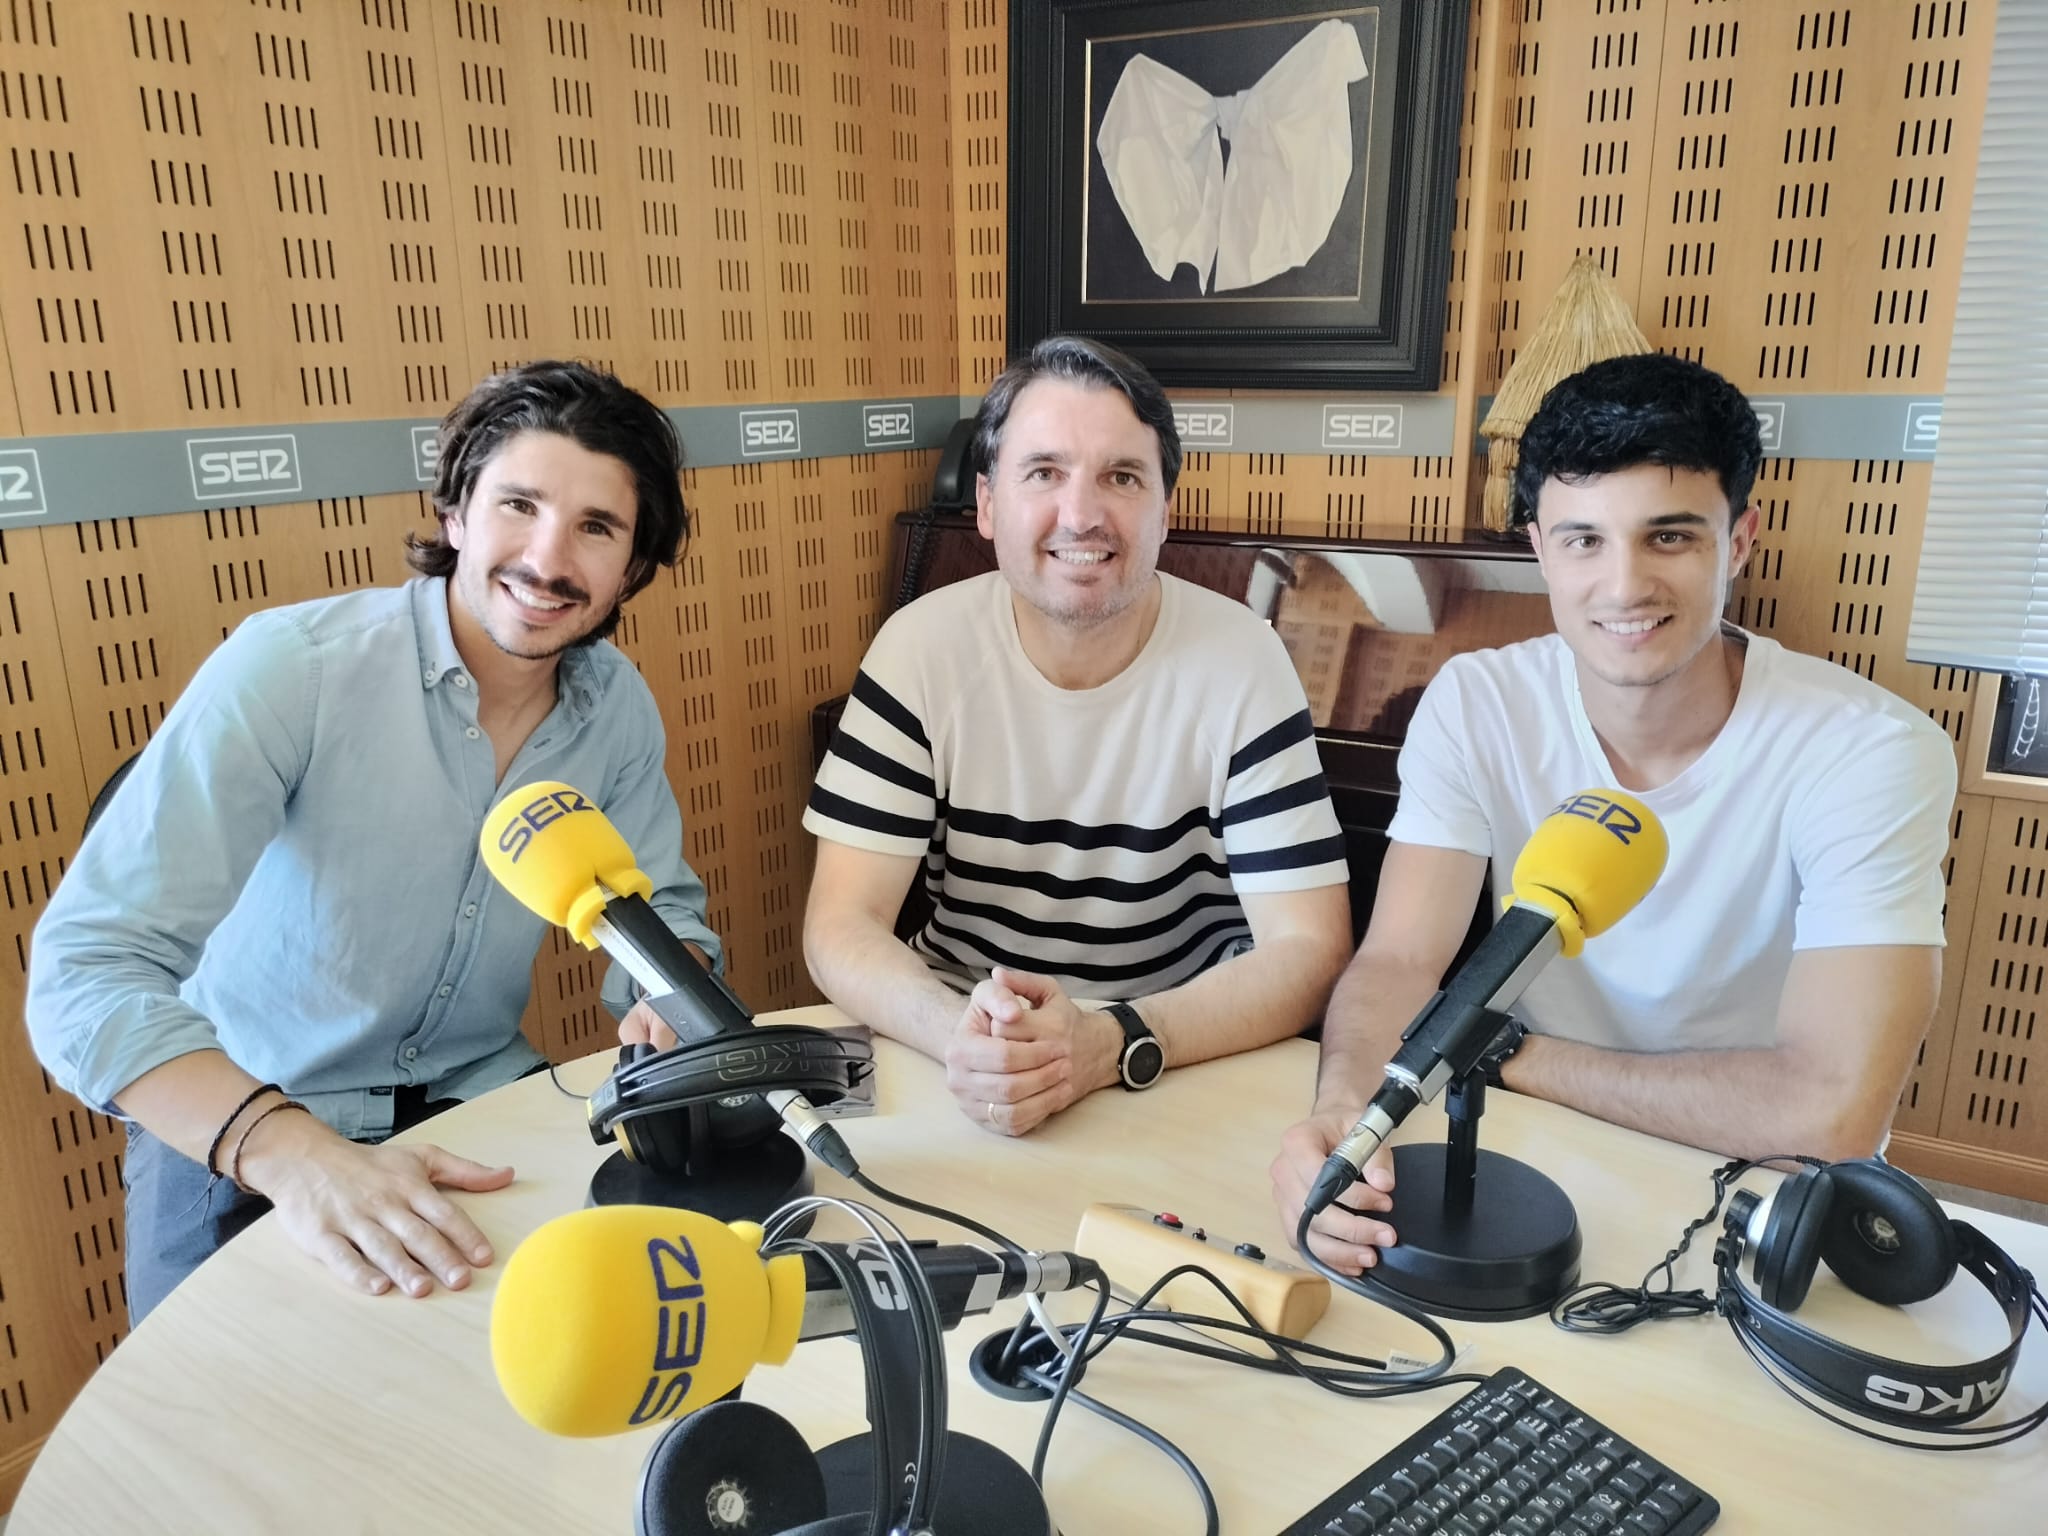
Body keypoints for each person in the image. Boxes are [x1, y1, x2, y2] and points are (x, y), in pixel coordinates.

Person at [26, 361, 719, 1320]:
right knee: (216, 1445)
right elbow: (84, 972)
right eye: (518, 504)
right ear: (455, 514)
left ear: (634, 565)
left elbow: (656, 911)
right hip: (254, 1121)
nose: (549, 559)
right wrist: (296, 1156)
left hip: (481, 1103)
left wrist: (670, 998)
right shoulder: (291, 670)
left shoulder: (617, 708)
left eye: (596, 528)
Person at [1272, 353, 1957, 1273]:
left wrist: (1499, 1051)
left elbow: (1829, 1111)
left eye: (1669, 537)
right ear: (1539, 549)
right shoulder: (1477, 703)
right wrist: (1341, 1119)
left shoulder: (1870, 750)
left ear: (1739, 541)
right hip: (1533, 1150)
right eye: (1584, 540)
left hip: (1761, 1186)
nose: (1625, 585)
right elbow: (1398, 959)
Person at [797, 335, 1354, 1135]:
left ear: (1168, 505)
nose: (1083, 515)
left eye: (1121, 477)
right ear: (987, 504)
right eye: (1044, 473)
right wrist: (967, 1039)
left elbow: (1309, 949)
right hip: (961, 1043)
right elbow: (839, 925)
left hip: (1177, 1054)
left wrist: (1108, 1041)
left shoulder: (1244, 660)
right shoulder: (919, 647)